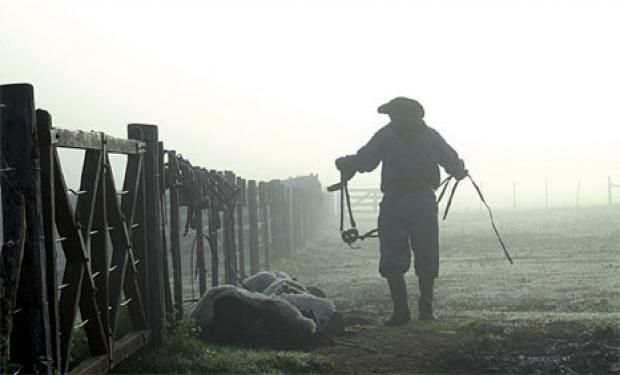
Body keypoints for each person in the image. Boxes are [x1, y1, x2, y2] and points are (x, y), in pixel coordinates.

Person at [335, 97, 467, 326]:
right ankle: (426, 309)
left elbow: (366, 161)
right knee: (427, 252)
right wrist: (458, 170)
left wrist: (347, 163)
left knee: (392, 255)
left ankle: (401, 311)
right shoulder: (431, 136)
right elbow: (452, 162)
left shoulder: (386, 135)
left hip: (395, 201)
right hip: (424, 201)